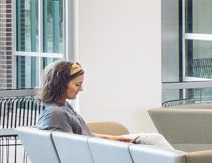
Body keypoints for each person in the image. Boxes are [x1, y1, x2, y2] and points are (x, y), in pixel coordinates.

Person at [34, 62, 169, 146]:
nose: (81, 89)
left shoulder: (64, 106)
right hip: (98, 151)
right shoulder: (55, 113)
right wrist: (109, 142)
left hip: (98, 145)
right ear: (61, 84)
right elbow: (74, 148)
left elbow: (85, 135)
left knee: (151, 139)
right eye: (77, 84)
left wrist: (112, 138)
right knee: (153, 139)